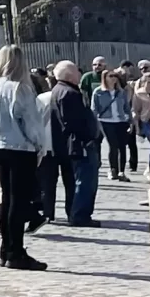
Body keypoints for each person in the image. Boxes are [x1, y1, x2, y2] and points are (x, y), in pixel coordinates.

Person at [0, 45, 53, 270]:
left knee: (8, 200)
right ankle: (16, 252)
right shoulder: (20, 89)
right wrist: (40, 147)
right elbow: (31, 123)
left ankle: (6, 249)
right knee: (19, 201)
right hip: (21, 147)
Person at [47, 60, 102, 226]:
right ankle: (80, 215)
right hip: (80, 144)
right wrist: (90, 138)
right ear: (70, 75)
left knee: (75, 181)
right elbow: (74, 122)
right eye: (77, 72)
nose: (79, 74)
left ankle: (74, 211)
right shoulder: (69, 93)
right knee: (85, 181)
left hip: (67, 144)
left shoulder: (58, 90)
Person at [94, 68, 135, 182]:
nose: (113, 79)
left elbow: (126, 108)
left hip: (121, 121)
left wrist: (131, 121)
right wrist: (95, 123)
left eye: (115, 76)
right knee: (113, 145)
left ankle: (121, 171)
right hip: (106, 121)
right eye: (110, 76)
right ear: (105, 78)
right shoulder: (98, 92)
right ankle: (113, 169)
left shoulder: (121, 92)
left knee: (122, 146)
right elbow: (94, 109)